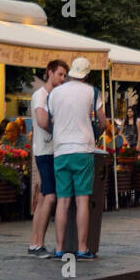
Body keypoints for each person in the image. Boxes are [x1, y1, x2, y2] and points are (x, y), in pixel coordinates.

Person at [47, 57, 105, 259]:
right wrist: (94, 133)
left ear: (71, 71)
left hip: (61, 150)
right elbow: (103, 121)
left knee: (62, 202)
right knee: (82, 201)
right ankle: (82, 248)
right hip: (83, 149)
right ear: (87, 75)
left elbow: (50, 118)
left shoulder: (54, 93)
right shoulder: (92, 92)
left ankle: (60, 247)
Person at [27, 59, 67, 257]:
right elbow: (42, 121)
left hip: (51, 150)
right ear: (49, 73)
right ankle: (39, 244)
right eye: (60, 74)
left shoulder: (53, 96)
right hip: (45, 151)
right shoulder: (41, 95)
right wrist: (63, 126)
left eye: (64, 75)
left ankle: (35, 243)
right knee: (50, 197)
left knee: (44, 197)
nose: (62, 79)